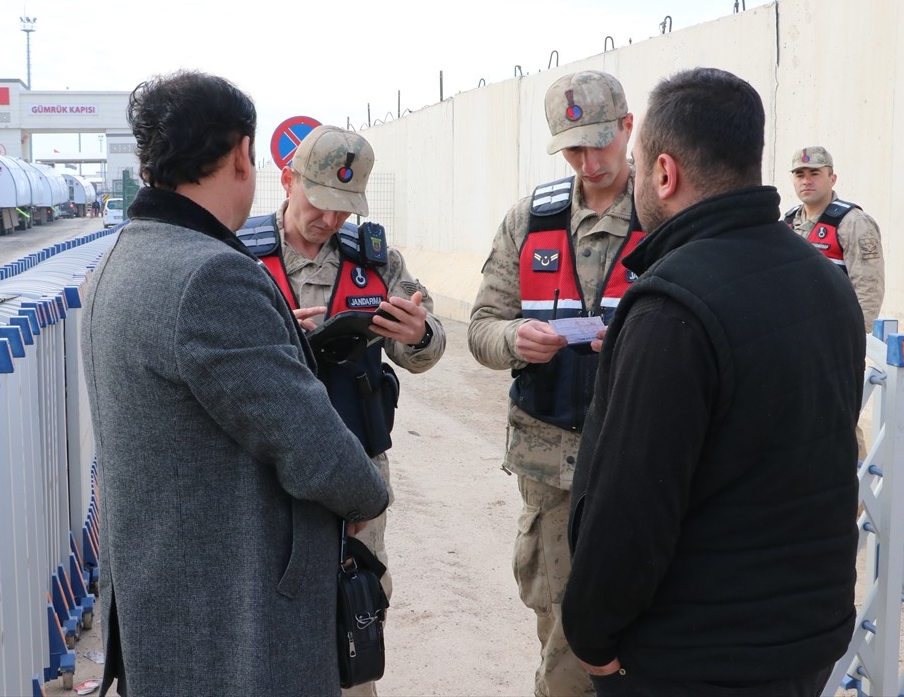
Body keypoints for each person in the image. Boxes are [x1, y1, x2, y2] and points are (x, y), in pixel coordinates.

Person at [80, 71, 389, 697]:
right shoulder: (212, 276)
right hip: (230, 617)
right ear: (245, 154)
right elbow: (309, 443)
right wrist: (366, 496)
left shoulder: (123, 257)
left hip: (163, 601)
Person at [563, 68, 863, 696]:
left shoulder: (673, 306)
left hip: (696, 658)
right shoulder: (826, 284)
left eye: (640, 165)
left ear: (664, 173)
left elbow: (632, 510)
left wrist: (592, 641)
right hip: (806, 643)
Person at [238, 124, 445, 696]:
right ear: (287, 180)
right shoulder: (239, 255)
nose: (330, 221)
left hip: (356, 465)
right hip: (267, 472)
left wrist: (419, 333)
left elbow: (427, 347)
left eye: (344, 209)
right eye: (320, 203)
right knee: (265, 611)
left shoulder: (375, 261)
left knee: (355, 606)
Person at [468, 70, 644, 697]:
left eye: (601, 143)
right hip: (552, 468)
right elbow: (482, 326)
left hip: (642, 458)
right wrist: (515, 340)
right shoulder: (529, 220)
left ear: (629, 128)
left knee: (643, 629)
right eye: (573, 149)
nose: (590, 162)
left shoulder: (666, 214)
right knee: (562, 633)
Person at [786, 145, 885, 331]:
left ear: (832, 179)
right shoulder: (788, 222)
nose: (806, 181)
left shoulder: (854, 222)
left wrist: (857, 336)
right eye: (800, 175)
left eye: (814, 173)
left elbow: (869, 287)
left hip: (835, 332)